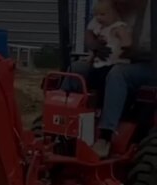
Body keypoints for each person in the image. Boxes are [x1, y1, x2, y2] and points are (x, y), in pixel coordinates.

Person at [63, 0, 151, 158]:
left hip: (148, 65)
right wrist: (95, 46)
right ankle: (60, 124)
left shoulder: (150, 13)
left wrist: (129, 51)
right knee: (77, 69)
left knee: (119, 74)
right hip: (112, 60)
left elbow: (135, 46)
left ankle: (105, 136)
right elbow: (90, 32)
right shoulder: (110, 9)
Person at [86, 0, 132, 92]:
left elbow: (127, 43)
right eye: (96, 15)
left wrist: (123, 50)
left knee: (109, 77)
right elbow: (91, 36)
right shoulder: (101, 27)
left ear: (114, 13)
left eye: (102, 15)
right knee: (91, 75)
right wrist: (92, 55)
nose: (98, 18)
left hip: (115, 61)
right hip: (102, 61)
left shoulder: (118, 27)